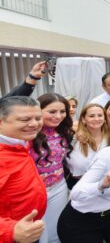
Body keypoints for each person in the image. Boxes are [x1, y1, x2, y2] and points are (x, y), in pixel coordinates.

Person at [0, 96, 47, 243]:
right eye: (24, 120)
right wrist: (10, 231)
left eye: (38, 118)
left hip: (27, 229)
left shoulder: (19, 141)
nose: (34, 124)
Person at [28, 93, 74, 243]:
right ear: (38, 111)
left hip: (59, 187)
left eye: (62, 111)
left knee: (56, 231)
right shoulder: (27, 134)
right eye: (52, 111)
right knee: (39, 233)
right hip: (33, 192)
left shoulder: (65, 132)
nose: (58, 116)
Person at [65, 103, 110, 189]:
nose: (96, 119)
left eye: (100, 115)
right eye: (92, 116)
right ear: (83, 119)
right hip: (76, 185)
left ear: (104, 119)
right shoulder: (73, 139)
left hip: (103, 187)